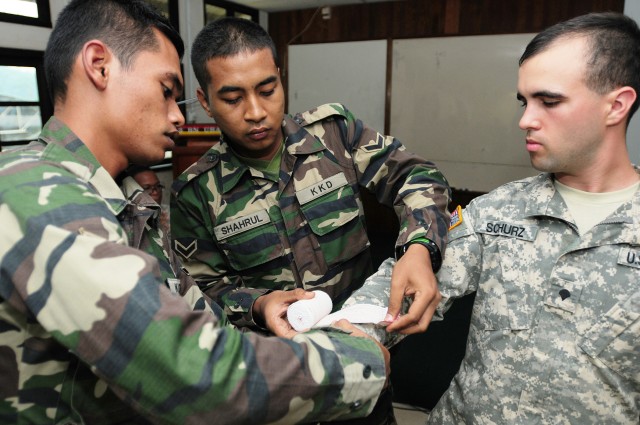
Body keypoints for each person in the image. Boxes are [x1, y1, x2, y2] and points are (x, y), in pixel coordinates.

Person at [0, 1, 391, 424]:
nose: (178, 116)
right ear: (100, 65)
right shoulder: (35, 191)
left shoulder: (128, 203)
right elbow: (196, 372)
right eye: (167, 90)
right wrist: (362, 360)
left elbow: (200, 316)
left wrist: (260, 306)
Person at [171, 16, 450, 340]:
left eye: (267, 90)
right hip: (280, 364)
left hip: (364, 344)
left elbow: (417, 175)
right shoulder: (195, 193)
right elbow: (201, 289)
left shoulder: (334, 134)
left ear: (280, 77)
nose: (256, 112)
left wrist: (419, 246)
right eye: (233, 99)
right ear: (205, 101)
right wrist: (257, 305)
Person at [428, 12, 640, 423]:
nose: (525, 120)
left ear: (615, 105)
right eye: (524, 102)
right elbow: (405, 290)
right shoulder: (496, 210)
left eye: (550, 101)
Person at [128, 165, 170, 230]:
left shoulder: (170, 213)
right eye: (147, 188)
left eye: (158, 186)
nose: (155, 192)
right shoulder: (128, 222)